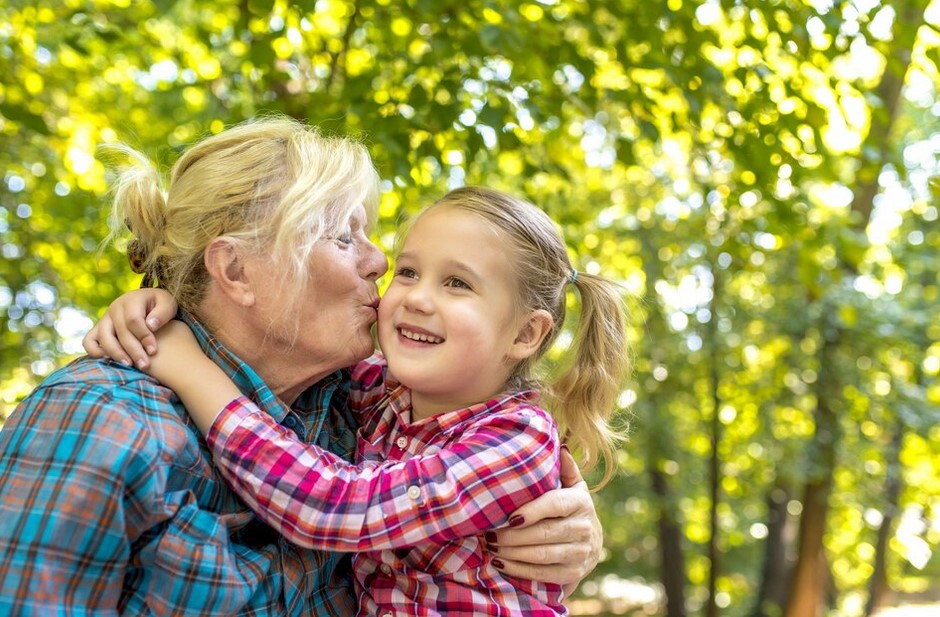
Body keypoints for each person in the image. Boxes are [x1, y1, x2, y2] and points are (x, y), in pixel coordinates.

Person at [0, 116, 603, 616]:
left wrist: (570, 528)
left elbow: (463, 446)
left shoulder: (349, 411)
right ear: (235, 271)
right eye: (344, 236)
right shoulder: (97, 420)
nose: (379, 263)